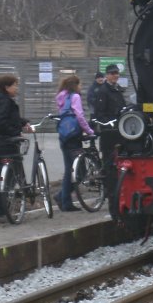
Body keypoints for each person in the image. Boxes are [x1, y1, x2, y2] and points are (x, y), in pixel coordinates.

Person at [0, 74, 33, 222]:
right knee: (8, 178)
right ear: (6, 87)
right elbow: (0, 122)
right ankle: (0, 212)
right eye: (15, 85)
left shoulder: (0, 100)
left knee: (6, 178)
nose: (17, 88)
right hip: (6, 144)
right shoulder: (4, 102)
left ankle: (2, 211)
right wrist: (16, 132)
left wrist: (23, 122)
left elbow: (10, 118)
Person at [54, 75, 95, 212]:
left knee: (68, 169)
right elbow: (79, 116)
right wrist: (89, 131)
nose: (81, 87)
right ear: (75, 85)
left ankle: (64, 199)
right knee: (80, 171)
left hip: (64, 135)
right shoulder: (75, 97)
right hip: (74, 136)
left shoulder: (61, 96)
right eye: (80, 84)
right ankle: (63, 198)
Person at [94, 64, 128, 219]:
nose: (115, 76)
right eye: (112, 73)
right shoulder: (103, 92)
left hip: (119, 133)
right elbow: (100, 114)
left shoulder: (117, 90)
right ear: (107, 75)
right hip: (109, 135)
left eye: (117, 73)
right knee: (110, 171)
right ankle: (113, 207)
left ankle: (120, 203)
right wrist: (111, 122)